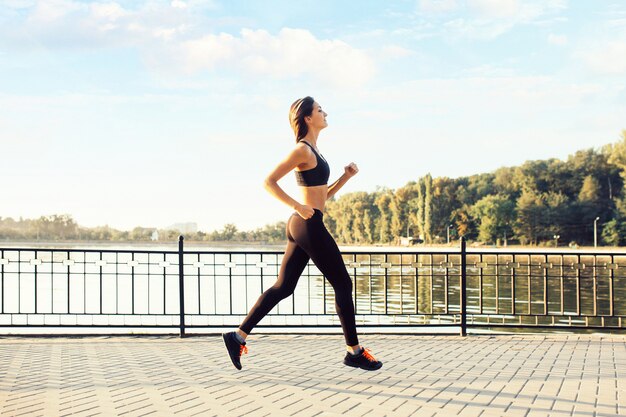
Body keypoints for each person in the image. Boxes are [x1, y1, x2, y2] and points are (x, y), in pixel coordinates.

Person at [222, 96, 383, 371]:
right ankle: (354, 352)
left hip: (305, 221)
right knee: (343, 284)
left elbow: (322, 196)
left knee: (284, 287)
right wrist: (297, 205)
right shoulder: (302, 150)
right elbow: (268, 182)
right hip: (306, 223)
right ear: (307, 118)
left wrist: (345, 177)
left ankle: (237, 336)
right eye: (320, 110)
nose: (325, 112)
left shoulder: (315, 151)